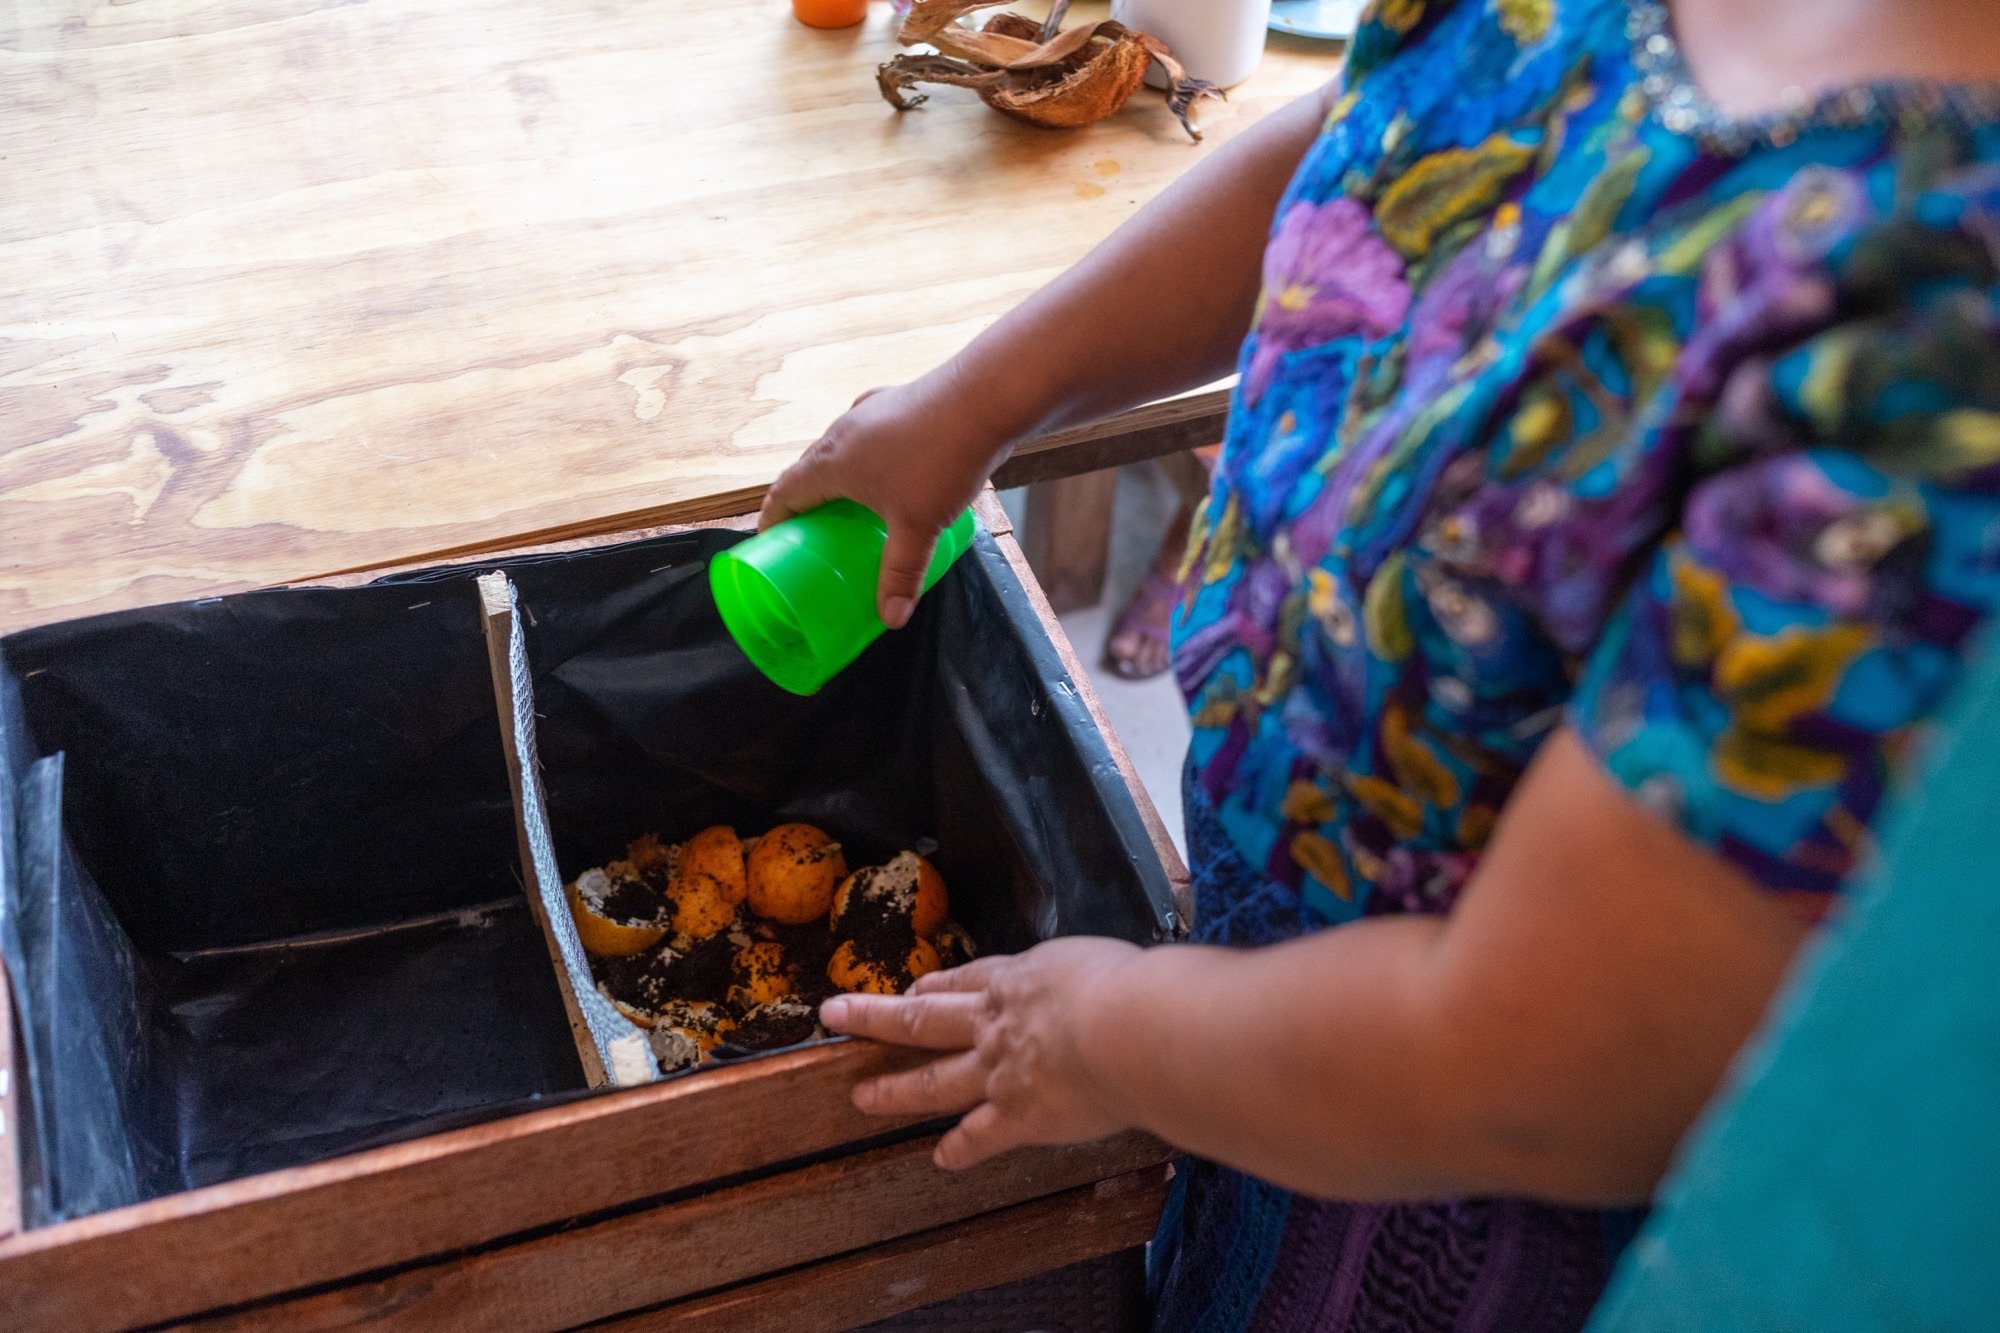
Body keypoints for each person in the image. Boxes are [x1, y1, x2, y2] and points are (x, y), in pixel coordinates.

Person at [760, 0, 2000, 1326]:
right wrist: (974, 402)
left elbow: (1533, 1076)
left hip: (1450, 1196)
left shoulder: (1942, 334)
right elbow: (1374, 136)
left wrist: (1102, 1033)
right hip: (1261, 1014)